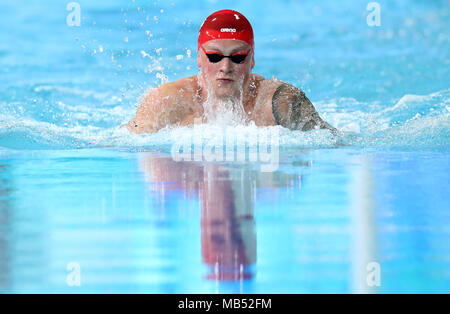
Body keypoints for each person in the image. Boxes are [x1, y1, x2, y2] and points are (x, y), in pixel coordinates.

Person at [126, 9, 334, 134]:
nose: (225, 68)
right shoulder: (168, 102)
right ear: (199, 57)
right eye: (214, 57)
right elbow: (122, 144)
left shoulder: (279, 103)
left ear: (252, 59)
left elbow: (334, 144)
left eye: (238, 57)